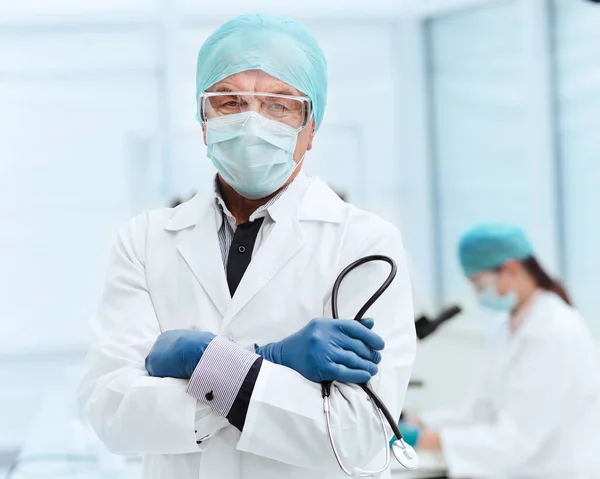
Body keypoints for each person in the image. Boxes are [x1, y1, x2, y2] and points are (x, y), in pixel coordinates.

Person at [78, 14, 416, 479]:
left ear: (311, 127)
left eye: (280, 105)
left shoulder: (365, 243)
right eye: (229, 101)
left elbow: (358, 439)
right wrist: (270, 364)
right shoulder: (144, 240)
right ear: (202, 118)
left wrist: (206, 365)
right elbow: (113, 413)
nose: (252, 123)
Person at [408, 223, 600, 479]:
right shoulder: (507, 324)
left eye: (480, 285)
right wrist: (423, 424)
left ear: (510, 269)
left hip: (558, 470)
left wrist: (426, 440)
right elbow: (481, 408)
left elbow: (517, 439)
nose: (478, 294)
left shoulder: (554, 331)